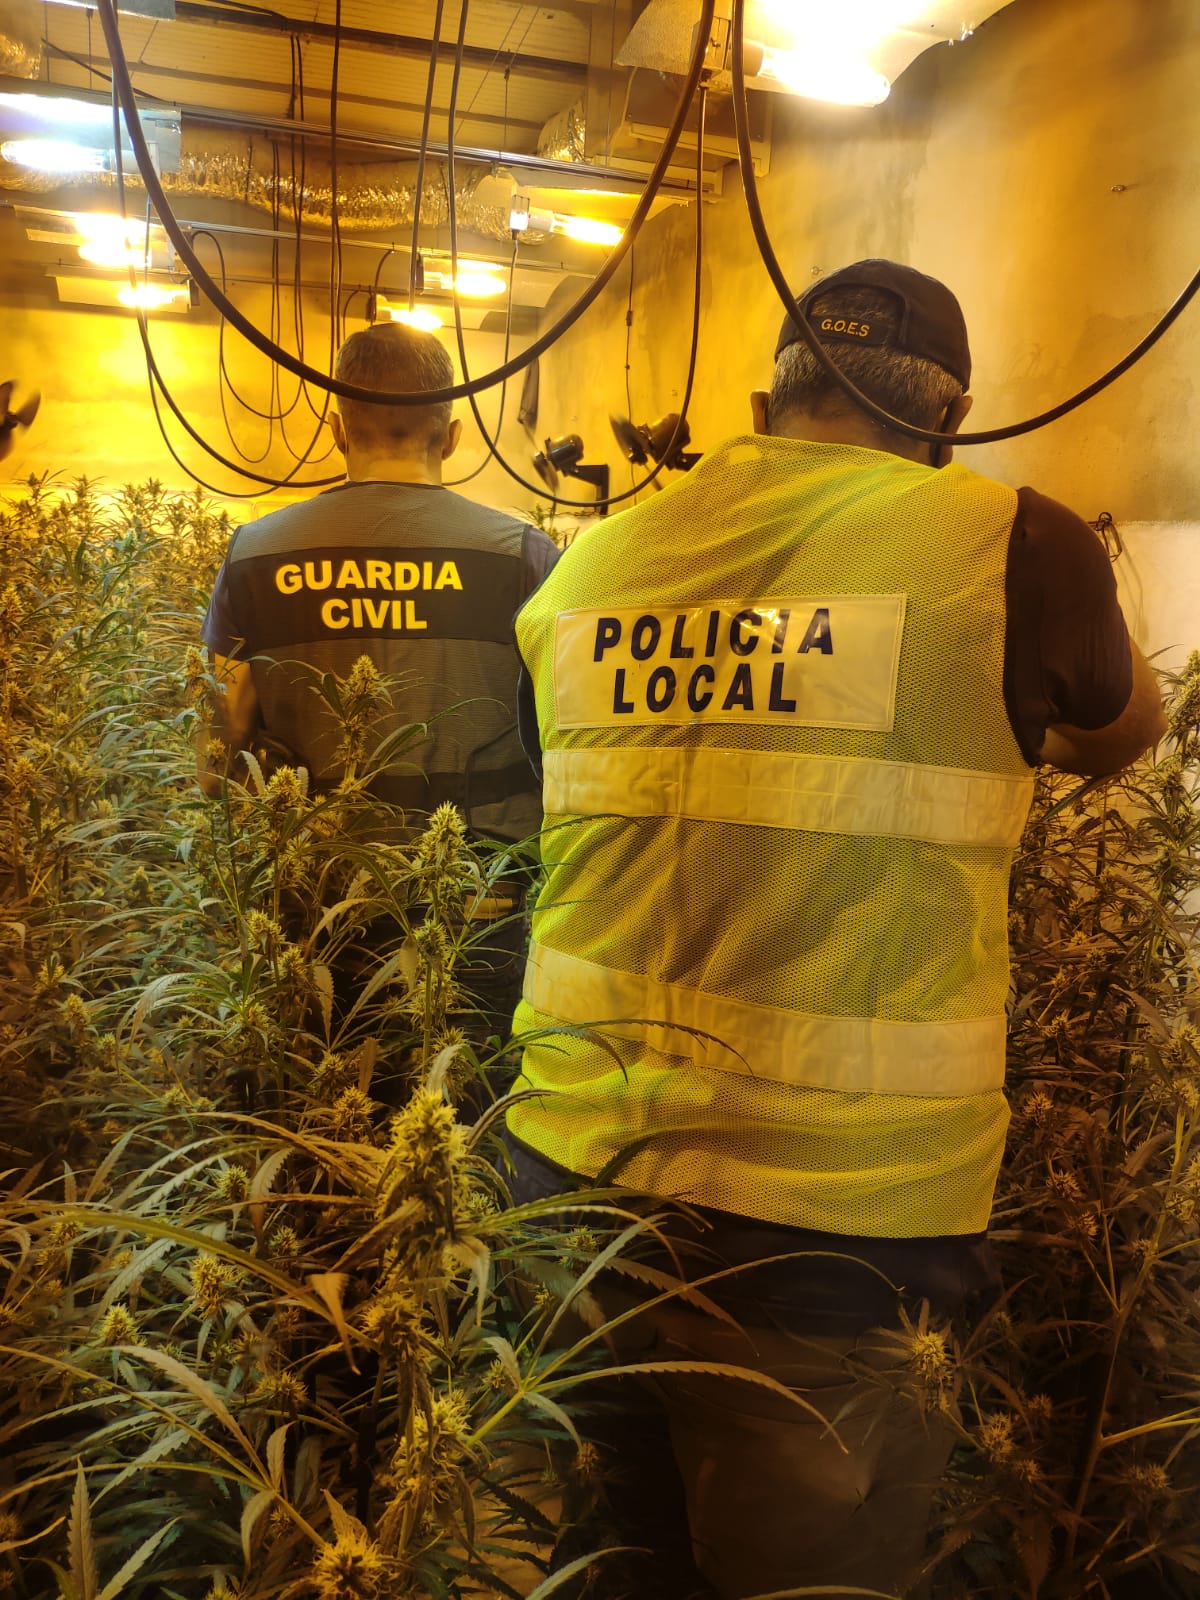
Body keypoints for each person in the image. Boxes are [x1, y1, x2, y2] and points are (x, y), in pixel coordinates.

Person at [503, 261, 1166, 1599]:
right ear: (952, 417)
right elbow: (1118, 733)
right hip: (829, 1220)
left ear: (766, 404)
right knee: (815, 1572)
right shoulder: (1013, 545)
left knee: (611, 1550)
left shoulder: (592, 560)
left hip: (569, 1171)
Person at [199, 322, 558, 1045]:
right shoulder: (522, 555)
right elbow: (567, 734)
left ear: (338, 429)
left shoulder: (255, 554)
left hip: (318, 894)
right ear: (451, 437)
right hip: (477, 890)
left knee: (326, 1086)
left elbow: (218, 753)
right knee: (460, 1088)